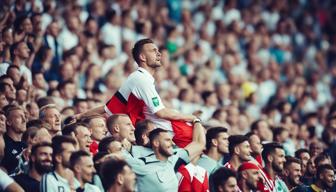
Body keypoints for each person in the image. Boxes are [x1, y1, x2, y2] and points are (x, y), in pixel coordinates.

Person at [75, 38, 199, 148]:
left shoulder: (138, 78)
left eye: (158, 50)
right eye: (153, 51)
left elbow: (106, 108)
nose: (159, 53)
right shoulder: (141, 79)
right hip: (131, 139)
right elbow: (161, 112)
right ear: (142, 57)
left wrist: (81, 116)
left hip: (134, 137)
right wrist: (192, 117)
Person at [122, 120, 205, 192]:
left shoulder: (173, 158)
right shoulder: (137, 161)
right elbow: (113, 156)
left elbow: (199, 144)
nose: (172, 143)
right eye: (167, 140)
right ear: (156, 142)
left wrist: (196, 121)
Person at [1, 104, 27, 175]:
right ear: (8, 122)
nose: (24, 120)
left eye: (24, 117)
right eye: (19, 117)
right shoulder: (3, 144)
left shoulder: (26, 146)